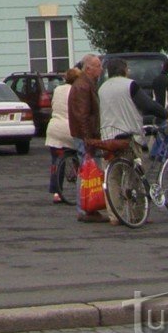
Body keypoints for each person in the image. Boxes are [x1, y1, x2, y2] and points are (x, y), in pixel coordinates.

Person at [69, 54, 104, 224]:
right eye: (98, 65)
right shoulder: (83, 86)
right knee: (87, 171)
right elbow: (82, 115)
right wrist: (88, 138)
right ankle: (84, 208)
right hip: (85, 136)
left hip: (85, 134)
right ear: (88, 68)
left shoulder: (85, 84)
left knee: (89, 170)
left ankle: (88, 207)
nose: (101, 69)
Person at [45, 68, 75, 205]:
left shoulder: (58, 90)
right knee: (82, 154)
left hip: (54, 128)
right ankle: (82, 184)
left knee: (56, 161)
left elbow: (53, 106)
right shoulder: (77, 90)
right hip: (69, 129)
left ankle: (56, 192)